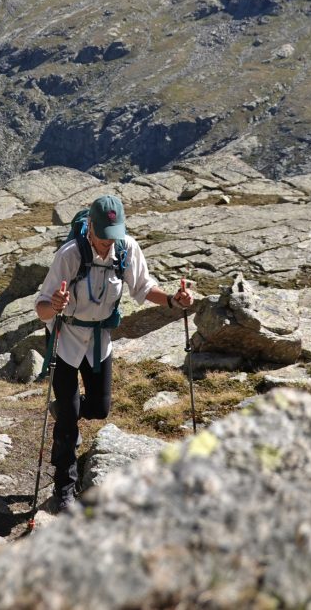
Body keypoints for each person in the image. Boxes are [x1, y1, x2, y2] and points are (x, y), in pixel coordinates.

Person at [35, 194, 194, 511]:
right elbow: (40, 307)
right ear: (90, 227)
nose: (108, 244)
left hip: (99, 341)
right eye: (103, 238)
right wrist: (53, 306)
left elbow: (144, 288)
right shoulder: (69, 255)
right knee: (68, 424)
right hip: (67, 339)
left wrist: (175, 301)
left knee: (100, 408)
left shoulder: (127, 248)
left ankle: (65, 410)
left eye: (113, 237)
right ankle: (64, 489)